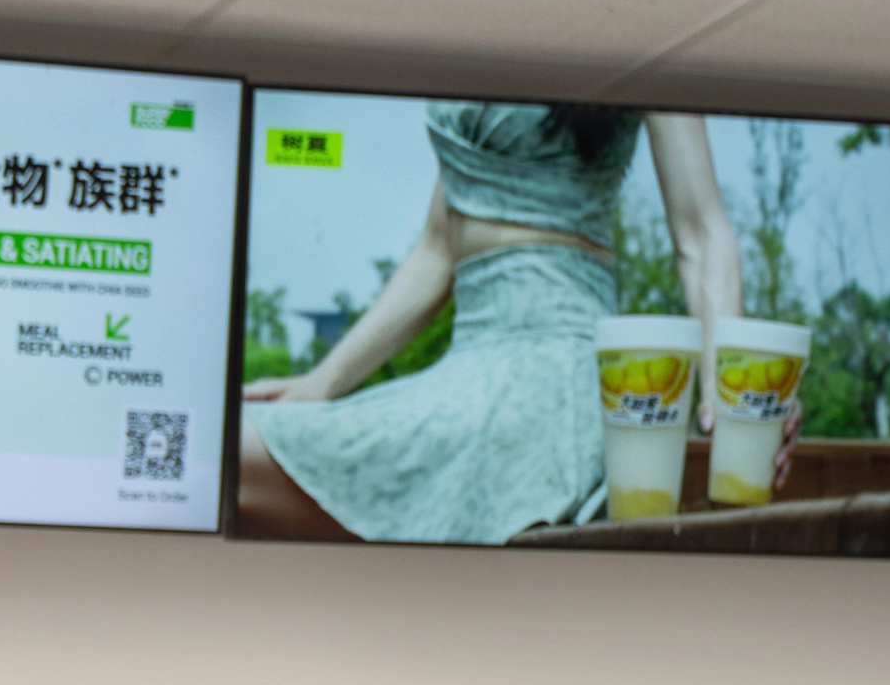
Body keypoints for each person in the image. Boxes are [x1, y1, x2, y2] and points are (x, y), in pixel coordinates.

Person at [238, 102, 762, 544]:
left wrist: (728, 392)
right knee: (233, 449)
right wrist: (320, 383)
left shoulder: (635, 27)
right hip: (466, 369)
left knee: (231, 454)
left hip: (554, 371)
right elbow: (437, 251)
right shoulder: (479, 35)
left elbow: (702, 234)